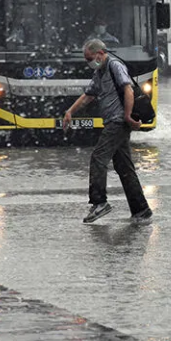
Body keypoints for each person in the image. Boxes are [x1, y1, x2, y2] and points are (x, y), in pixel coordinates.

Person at [63, 39, 153, 223]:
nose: (88, 62)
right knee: (124, 167)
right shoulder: (100, 72)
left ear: (100, 53)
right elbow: (88, 95)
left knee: (98, 158)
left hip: (117, 122)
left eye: (90, 58)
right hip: (114, 122)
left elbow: (128, 90)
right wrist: (70, 111)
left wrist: (127, 116)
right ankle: (141, 210)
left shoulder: (115, 65)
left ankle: (100, 202)